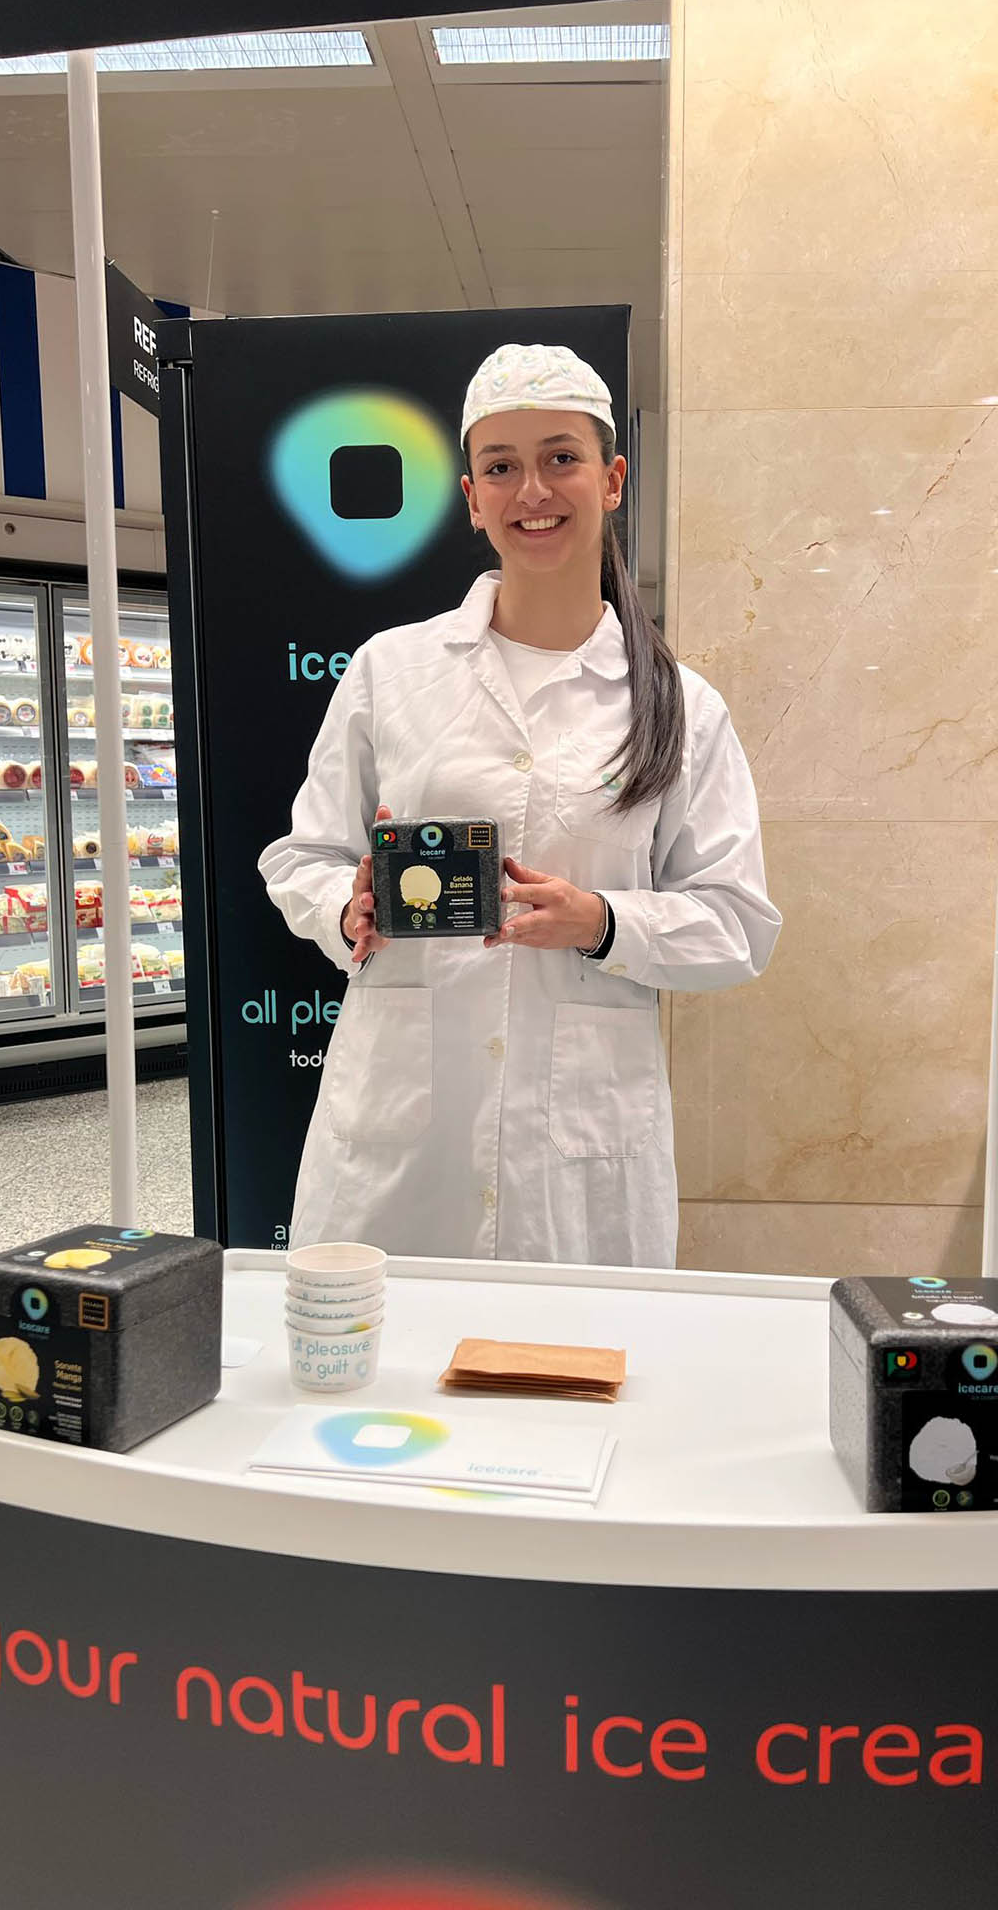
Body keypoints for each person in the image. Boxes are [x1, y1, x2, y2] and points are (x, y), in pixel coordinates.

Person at [259, 343, 779, 1267]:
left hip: (579, 1135)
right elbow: (302, 856)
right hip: (407, 1124)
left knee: (572, 1348)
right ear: (472, 497)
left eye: (560, 457)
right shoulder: (392, 672)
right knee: (391, 1343)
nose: (532, 490)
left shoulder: (677, 704)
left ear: (611, 481)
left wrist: (601, 922)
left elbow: (738, 924)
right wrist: (347, 906)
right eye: (501, 467)